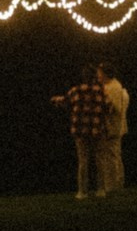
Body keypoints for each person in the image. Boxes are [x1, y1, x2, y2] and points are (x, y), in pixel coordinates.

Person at [51, 64, 112, 200]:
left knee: (83, 161)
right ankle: (100, 190)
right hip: (97, 130)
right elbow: (108, 108)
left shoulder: (76, 90)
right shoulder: (101, 91)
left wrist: (55, 99)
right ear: (94, 77)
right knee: (99, 160)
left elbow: (65, 101)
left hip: (80, 131)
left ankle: (82, 192)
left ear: (83, 77)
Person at [95, 62, 129, 196]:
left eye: (99, 73)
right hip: (113, 126)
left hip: (112, 127)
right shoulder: (113, 86)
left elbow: (115, 108)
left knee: (112, 156)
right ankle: (115, 184)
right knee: (113, 155)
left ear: (105, 74)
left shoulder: (113, 87)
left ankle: (113, 186)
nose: (98, 76)